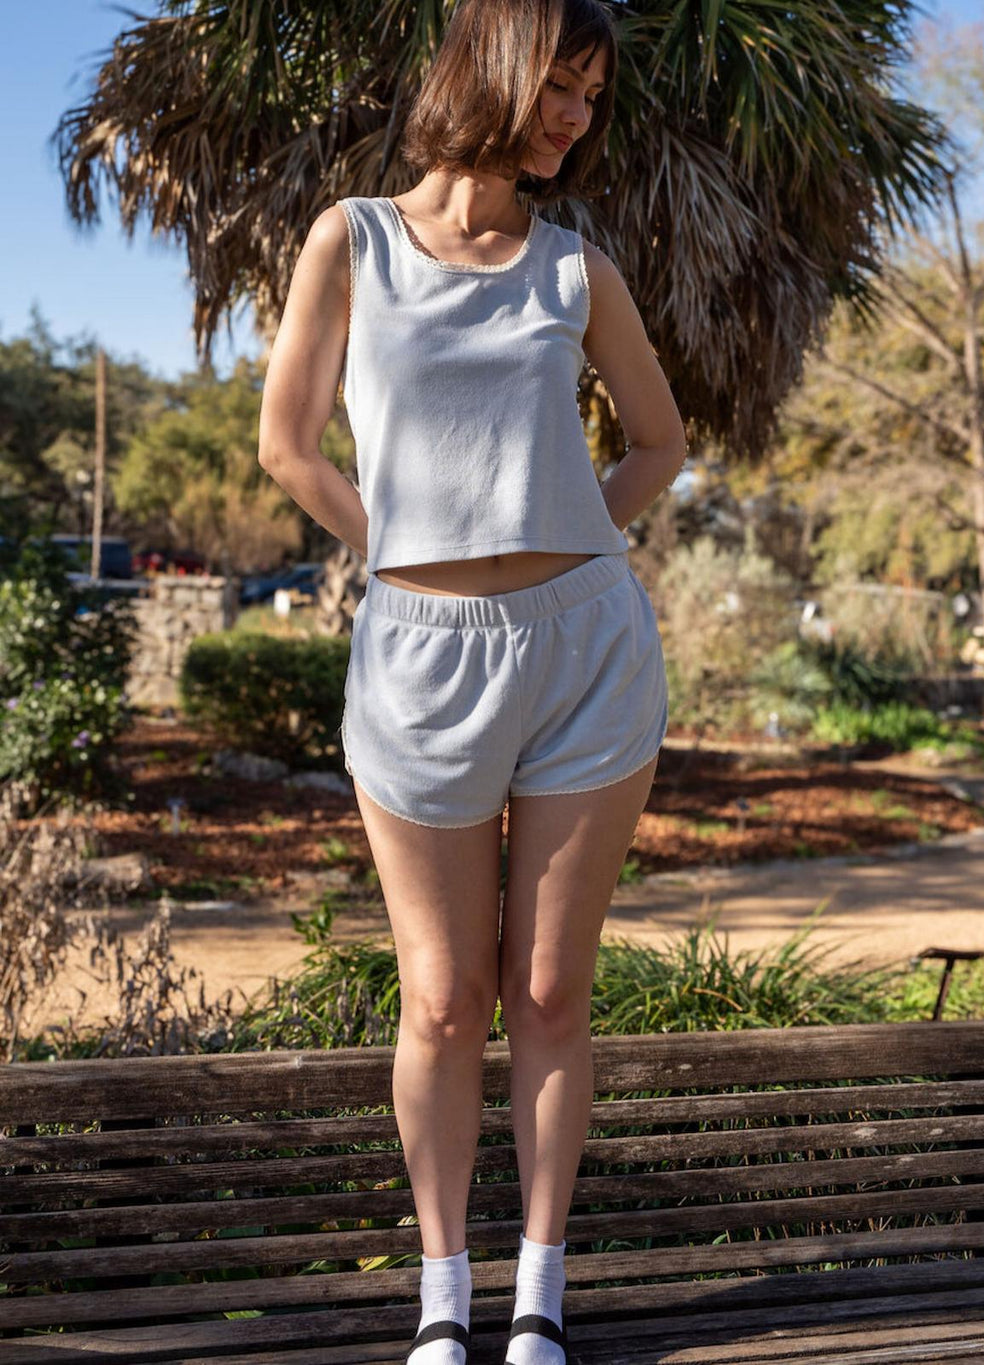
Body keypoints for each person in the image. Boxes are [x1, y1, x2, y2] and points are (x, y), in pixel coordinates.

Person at [257, 1, 687, 1360]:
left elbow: (659, 445)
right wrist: (415, 553)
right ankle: (442, 1292)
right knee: (443, 997)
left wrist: (574, 548)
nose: (574, 116)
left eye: (592, 98)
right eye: (562, 85)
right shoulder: (355, 238)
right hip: (418, 655)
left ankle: (538, 1295)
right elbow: (289, 445)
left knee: (554, 990)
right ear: (494, 70)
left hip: (586, 649)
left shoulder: (576, 270)